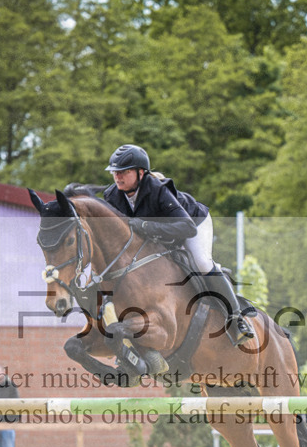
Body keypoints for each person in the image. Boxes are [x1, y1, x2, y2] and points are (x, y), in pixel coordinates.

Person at [101, 144, 255, 346]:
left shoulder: (158, 190)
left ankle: (236, 318)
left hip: (193, 223)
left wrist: (146, 226)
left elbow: (186, 228)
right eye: (115, 172)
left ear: (141, 173)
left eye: (124, 171)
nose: (118, 176)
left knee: (201, 262)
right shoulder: (112, 196)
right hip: (162, 234)